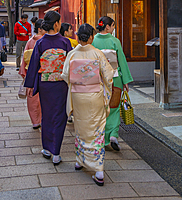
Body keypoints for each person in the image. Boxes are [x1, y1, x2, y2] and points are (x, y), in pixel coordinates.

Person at [62, 23, 114, 186]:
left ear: (78, 36)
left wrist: (79, 81)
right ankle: (98, 170)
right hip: (95, 96)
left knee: (81, 128)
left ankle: (80, 160)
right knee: (96, 130)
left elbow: (65, 75)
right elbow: (108, 76)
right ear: (91, 37)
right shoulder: (97, 54)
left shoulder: (72, 54)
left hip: (78, 96)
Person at [24, 11, 72, 165]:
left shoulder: (40, 43)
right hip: (61, 84)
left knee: (47, 115)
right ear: (57, 24)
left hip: (45, 84)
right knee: (60, 116)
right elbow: (71, 65)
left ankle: (46, 148)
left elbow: (33, 65)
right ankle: (56, 152)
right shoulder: (65, 42)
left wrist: (30, 84)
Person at [92, 16, 133, 151]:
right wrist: (125, 80)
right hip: (115, 78)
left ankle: (102, 138)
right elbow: (121, 60)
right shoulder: (115, 41)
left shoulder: (93, 41)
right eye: (113, 26)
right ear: (108, 27)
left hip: (99, 79)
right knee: (114, 108)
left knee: (101, 109)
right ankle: (113, 134)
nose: (114, 28)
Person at [19, 19, 45, 129]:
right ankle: (42, 120)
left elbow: (25, 59)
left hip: (31, 72)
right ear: (40, 29)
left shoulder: (30, 41)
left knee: (33, 98)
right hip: (44, 71)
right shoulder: (45, 41)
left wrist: (24, 73)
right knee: (43, 99)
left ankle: (35, 121)